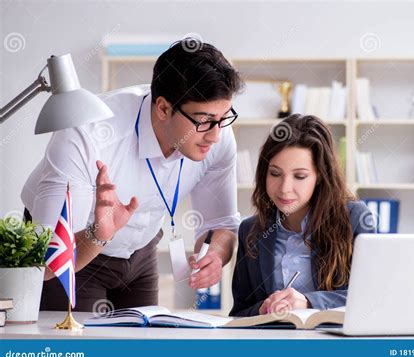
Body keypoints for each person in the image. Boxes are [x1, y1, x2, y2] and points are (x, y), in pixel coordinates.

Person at [21, 38, 243, 311]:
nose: (216, 134)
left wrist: (217, 255)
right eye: (204, 120)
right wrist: (98, 234)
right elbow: (47, 260)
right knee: (82, 349)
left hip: (141, 249)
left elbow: (221, 223)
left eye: (223, 118)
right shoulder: (87, 132)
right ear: (163, 108)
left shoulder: (217, 131)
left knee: (143, 346)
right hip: (80, 247)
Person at [229, 114, 376, 317]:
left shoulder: (355, 218)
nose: (284, 188)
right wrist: (261, 309)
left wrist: (309, 302)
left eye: (300, 176)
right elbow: (239, 313)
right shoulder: (250, 231)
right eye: (275, 173)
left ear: (319, 177)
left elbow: (373, 297)